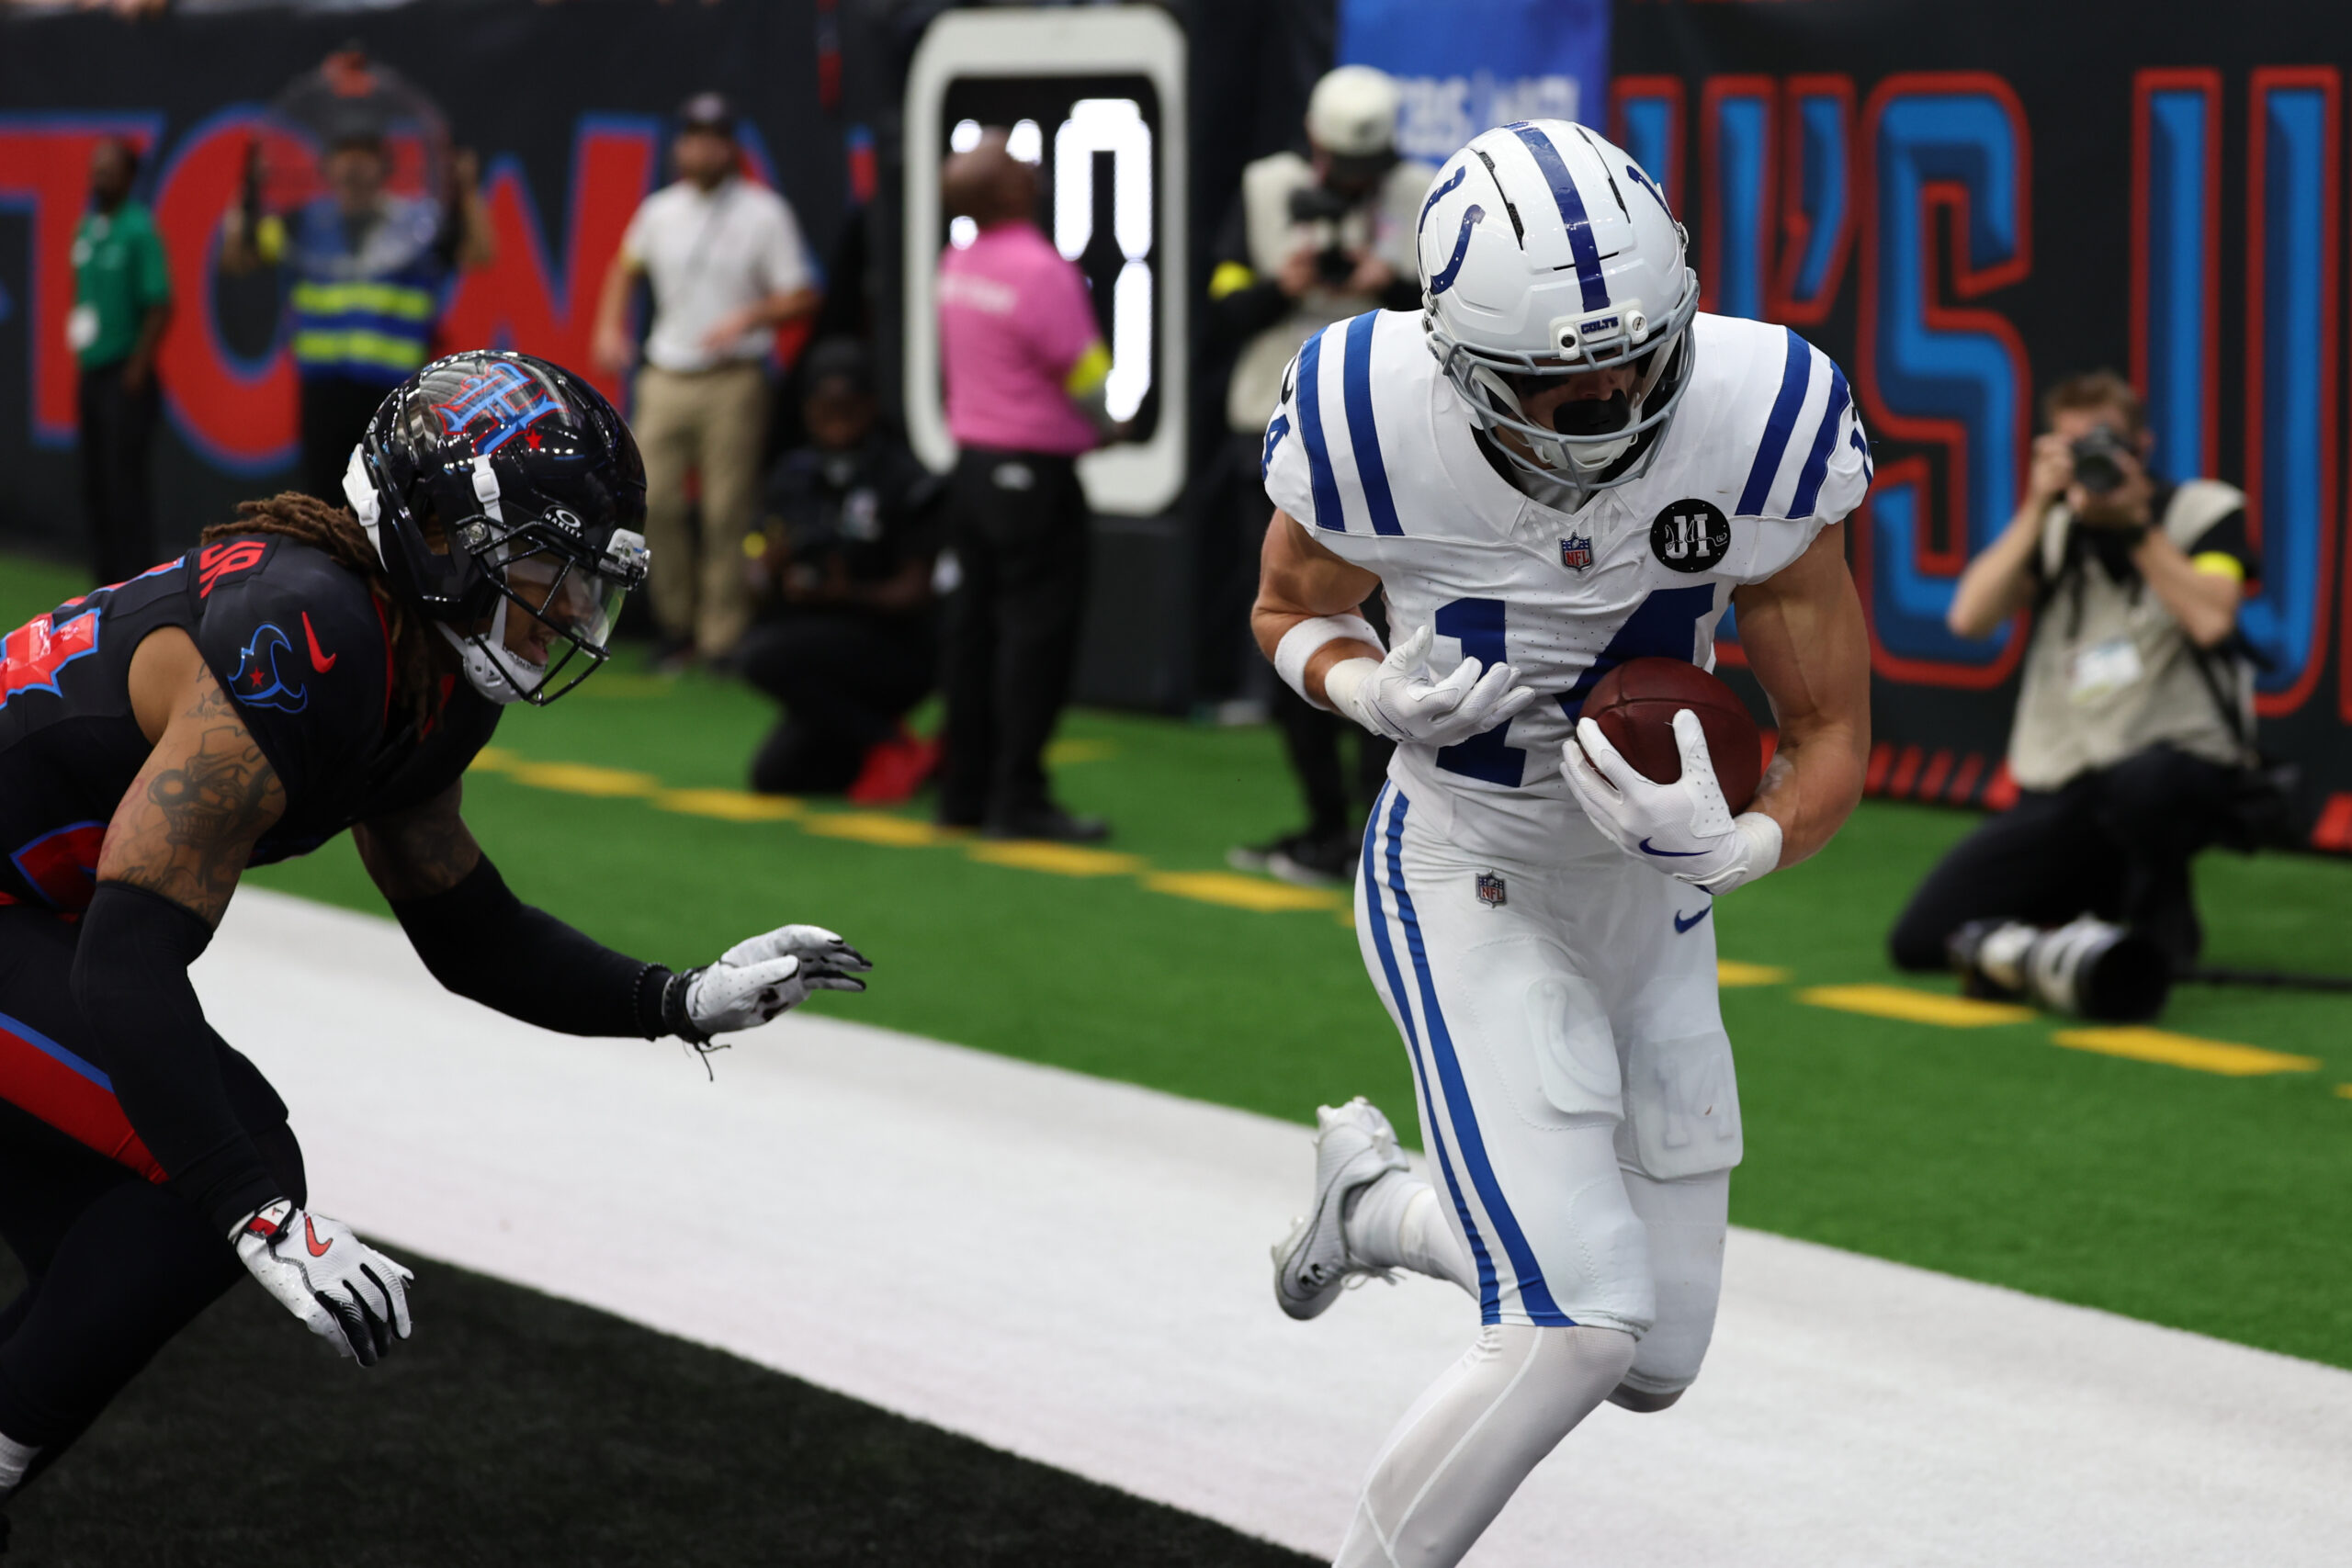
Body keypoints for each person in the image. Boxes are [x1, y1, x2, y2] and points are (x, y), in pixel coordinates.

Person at [0, 352, 869, 1517]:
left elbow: (467, 929)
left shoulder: (423, 660)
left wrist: (676, 999)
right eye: (548, 565)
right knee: (221, 1167)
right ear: (439, 533)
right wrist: (257, 1209)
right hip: (38, 918)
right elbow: (126, 955)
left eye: (586, 577)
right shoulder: (307, 634)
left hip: (35, 914)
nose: (571, 609)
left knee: (119, 1249)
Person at [1252, 121, 1871, 1564]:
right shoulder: (1367, 410)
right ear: (1456, 355)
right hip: (1466, 859)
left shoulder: (1763, 409)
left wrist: (1745, 846)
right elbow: (1291, 610)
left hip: (1651, 893)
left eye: (1637, 364)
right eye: (1559, 381)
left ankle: (1378, 1204)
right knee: (1576, 1323)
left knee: (1658, 1356)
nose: (1607, 404)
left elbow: (1832, 728)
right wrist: (1368, 687)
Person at [1889, 370, 2256, 977]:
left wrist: (2134, 527)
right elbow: (1969, 617)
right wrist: (2038, 505)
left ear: (2143, 445)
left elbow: (2212, 620)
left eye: (2106, 443)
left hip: (2177, 767)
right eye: (2074, 447)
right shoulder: (2056, 526)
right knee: (1923, 938)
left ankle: (2162, 928)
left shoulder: (2205, 510)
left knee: (2146, 785)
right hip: (2067, 784)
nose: (2093, 461)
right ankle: (2076, 932)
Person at [1208, 66, 1430, 885]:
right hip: (1276, 438)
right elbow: (1222, 304)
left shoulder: (1424, 193)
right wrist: (1284, 286)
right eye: (1340, 169)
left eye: (1365, 172)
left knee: (1397, 634)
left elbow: (1461, 317)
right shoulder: (1264, 189)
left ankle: (1382, 822)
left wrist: (1392, 286)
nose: (1352, 184)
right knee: (1292, 623)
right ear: (1313, 143)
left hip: (1390, 443)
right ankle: (1323, 823)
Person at [934, 129, 1123, 842]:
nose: (1032, 169)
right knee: (1034, 640)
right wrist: (1111, 425)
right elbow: (1086, 377)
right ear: (1009, 189)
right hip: (1035, 480)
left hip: (972, 469)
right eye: (1016, 164)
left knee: (972, 634)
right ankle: (1018, 796)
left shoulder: (956, 262)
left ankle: (963, 790)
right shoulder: (1041, 270)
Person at [593, 92, 820, 670]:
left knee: (726, 511)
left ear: (731, 148)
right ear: (681, 147)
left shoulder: (764, 213)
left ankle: (723, 637)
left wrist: (751, 316)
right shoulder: (660, 211)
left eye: (715, 139)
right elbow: (625, 265)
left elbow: (801, 294)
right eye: (694, 138)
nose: (703, 150)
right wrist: (608, 327)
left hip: (733, 378)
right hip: (667, 373)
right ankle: (677, 624)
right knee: (654, 502)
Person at [220, 122, 495, 503]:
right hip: (323, 393)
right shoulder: (302, 224)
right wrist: (248, 189)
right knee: (324, 506)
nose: (354, 164)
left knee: (393, 505)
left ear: (384, 165)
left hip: (393, 395)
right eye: (344, 153)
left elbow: (480, 252)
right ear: (328, 165)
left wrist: (465, 189)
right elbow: (236, 257)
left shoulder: (416, 225)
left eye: (365, 153)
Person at [739, 338, 943, 801]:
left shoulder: (905, 478)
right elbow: (754, 570)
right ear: (807, 409)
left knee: (760, 656)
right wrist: (768, 569)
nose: (837, 419)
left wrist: (847, 592)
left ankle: (891, 745)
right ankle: (916, 750)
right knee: (776, 775)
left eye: (848, 407)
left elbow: (919, 591)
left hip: (893, 647)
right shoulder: (791, 475)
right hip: (817, 652)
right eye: (825, 407)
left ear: (871, 406)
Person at [72, 136, 173, 589]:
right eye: (96, 169)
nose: (100, 177)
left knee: (125, 487)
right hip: (92, 373)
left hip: (126, 375)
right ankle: (102, 585)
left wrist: (137, 366)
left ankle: (137, 585)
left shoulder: (139, 230)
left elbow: (160, 304)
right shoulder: (86, 228)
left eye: (109, 170)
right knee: (94, 483)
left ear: (130, 177)